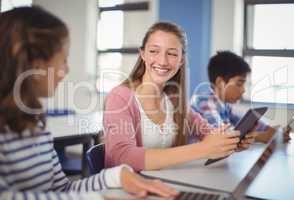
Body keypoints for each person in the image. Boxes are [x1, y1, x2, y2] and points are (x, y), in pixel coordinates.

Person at [0, 6, 178, 200]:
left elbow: (62, 190)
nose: (67, 69)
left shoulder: (35, 125)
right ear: (34, 64)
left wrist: (117, 177)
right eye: (63, 60)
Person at [103, 22, 253, 172]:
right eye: (154, 51)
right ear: (143, 54)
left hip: (165, 185)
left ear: (181, 60)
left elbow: (208, 134)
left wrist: (230, 141)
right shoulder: (120, 97)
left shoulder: (174, 100)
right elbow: (122, 157)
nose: (162, 61)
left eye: (172, 54)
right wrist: (201, 149)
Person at [190, 51, 291, 144]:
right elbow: (221, 136)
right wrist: (262, 136)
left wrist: (271, 130)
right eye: (239, 83)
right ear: (220, 83)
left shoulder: (224, 105)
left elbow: (242, 124)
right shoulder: (205, 102)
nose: (243, 90)